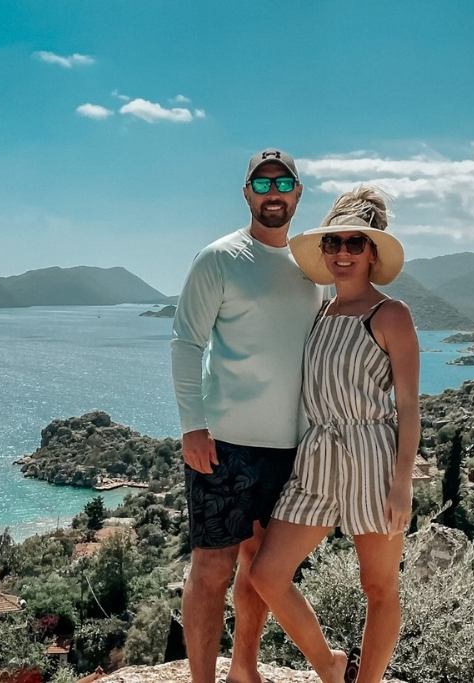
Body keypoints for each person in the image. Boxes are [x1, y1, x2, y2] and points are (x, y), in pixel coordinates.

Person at [249, 186, 421, 683]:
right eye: (333, 243)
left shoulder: (391, 315)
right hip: (318, 456)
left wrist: (402, 482)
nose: (342, 252)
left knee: (379, 587)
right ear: (324, 252)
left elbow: (408, 405)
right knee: (266, 574)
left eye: (354, 243)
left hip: (372, 456)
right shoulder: (319, 312)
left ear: (372, 252)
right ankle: (329, 664)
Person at [171, 149, 324, 683]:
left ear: (299, 194)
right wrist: (192, 424)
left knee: (260, 568)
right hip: (224, 443)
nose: (273, 191)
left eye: (284, 182)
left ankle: (244, 668)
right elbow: (186, 342)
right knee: (211, 568)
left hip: (291, 446)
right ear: (246, 194)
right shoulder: (220, 258)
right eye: (263, 183)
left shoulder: (314, 268)